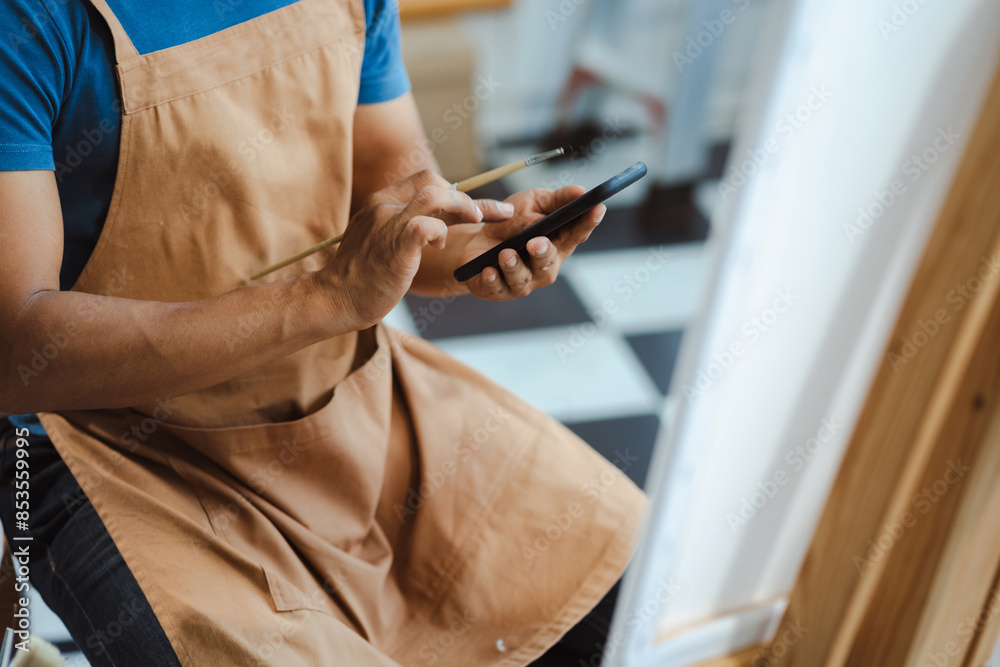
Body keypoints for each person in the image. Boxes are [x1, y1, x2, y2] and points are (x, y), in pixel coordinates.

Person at [0, 0, 646, 664]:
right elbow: (18, 351)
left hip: (345, 399)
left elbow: (395, 193)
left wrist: (480, 238)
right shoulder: (29, 22)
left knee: (630, 586)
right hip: (115, 450)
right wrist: (327, 297)